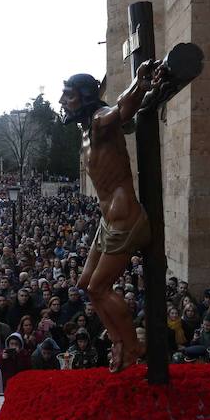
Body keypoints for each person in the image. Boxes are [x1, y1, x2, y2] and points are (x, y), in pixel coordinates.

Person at [60, 66, 158, 372]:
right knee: (87, 284)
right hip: (108, 221)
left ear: (84, 97)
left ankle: (133, 345)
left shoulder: (101, 120)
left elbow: (122, 110)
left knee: (100, 287)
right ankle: (118, 340)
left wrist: (138, 85)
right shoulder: (87, 129)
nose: (63, 100)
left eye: (69, 94)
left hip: (125, 218)